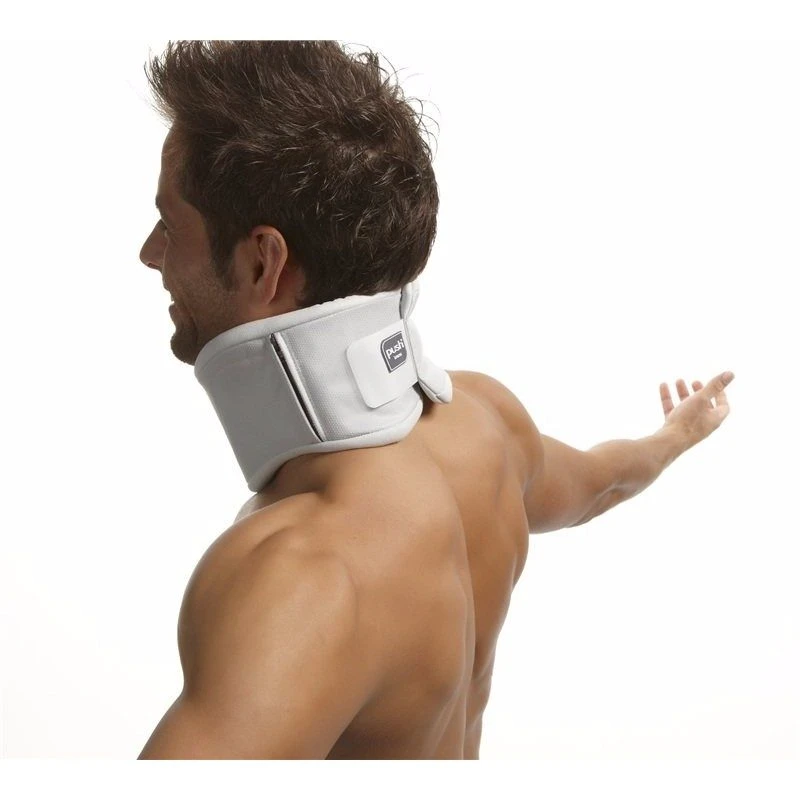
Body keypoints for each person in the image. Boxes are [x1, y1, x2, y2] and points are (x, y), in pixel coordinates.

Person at [136, 40, 735, 760]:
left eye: (170, 224)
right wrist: (673, 436)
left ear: (264, 262)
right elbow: (601, 482)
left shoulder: (301, 578)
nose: (150, 252)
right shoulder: (488, 425)